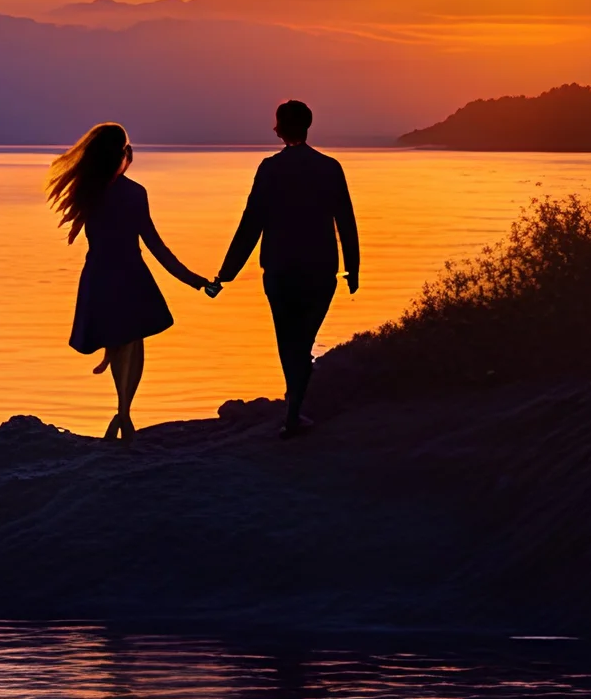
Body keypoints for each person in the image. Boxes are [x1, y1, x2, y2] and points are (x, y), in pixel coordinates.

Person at [47, 122, 215, 443]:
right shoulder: (133, 193)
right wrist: (196, 281)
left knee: (121, 342)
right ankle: (124, 414)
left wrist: (195, 281)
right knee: (131, 343)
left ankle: (122, 413)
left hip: (99, 275)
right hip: (129, 274)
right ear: (124, 154)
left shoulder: (86, 190)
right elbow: (156, 247)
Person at [212, 99, 359, 439]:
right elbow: (346, 222)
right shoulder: (330, 167)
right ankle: (294, 412)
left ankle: (293, 413)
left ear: (280, 128)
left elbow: (251, 224)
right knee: (302, 341)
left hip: (280, 269)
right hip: (321, 269)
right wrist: (353, 267)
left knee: (288, 341)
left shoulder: (270, 169)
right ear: (307, 127)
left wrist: (226, 272)